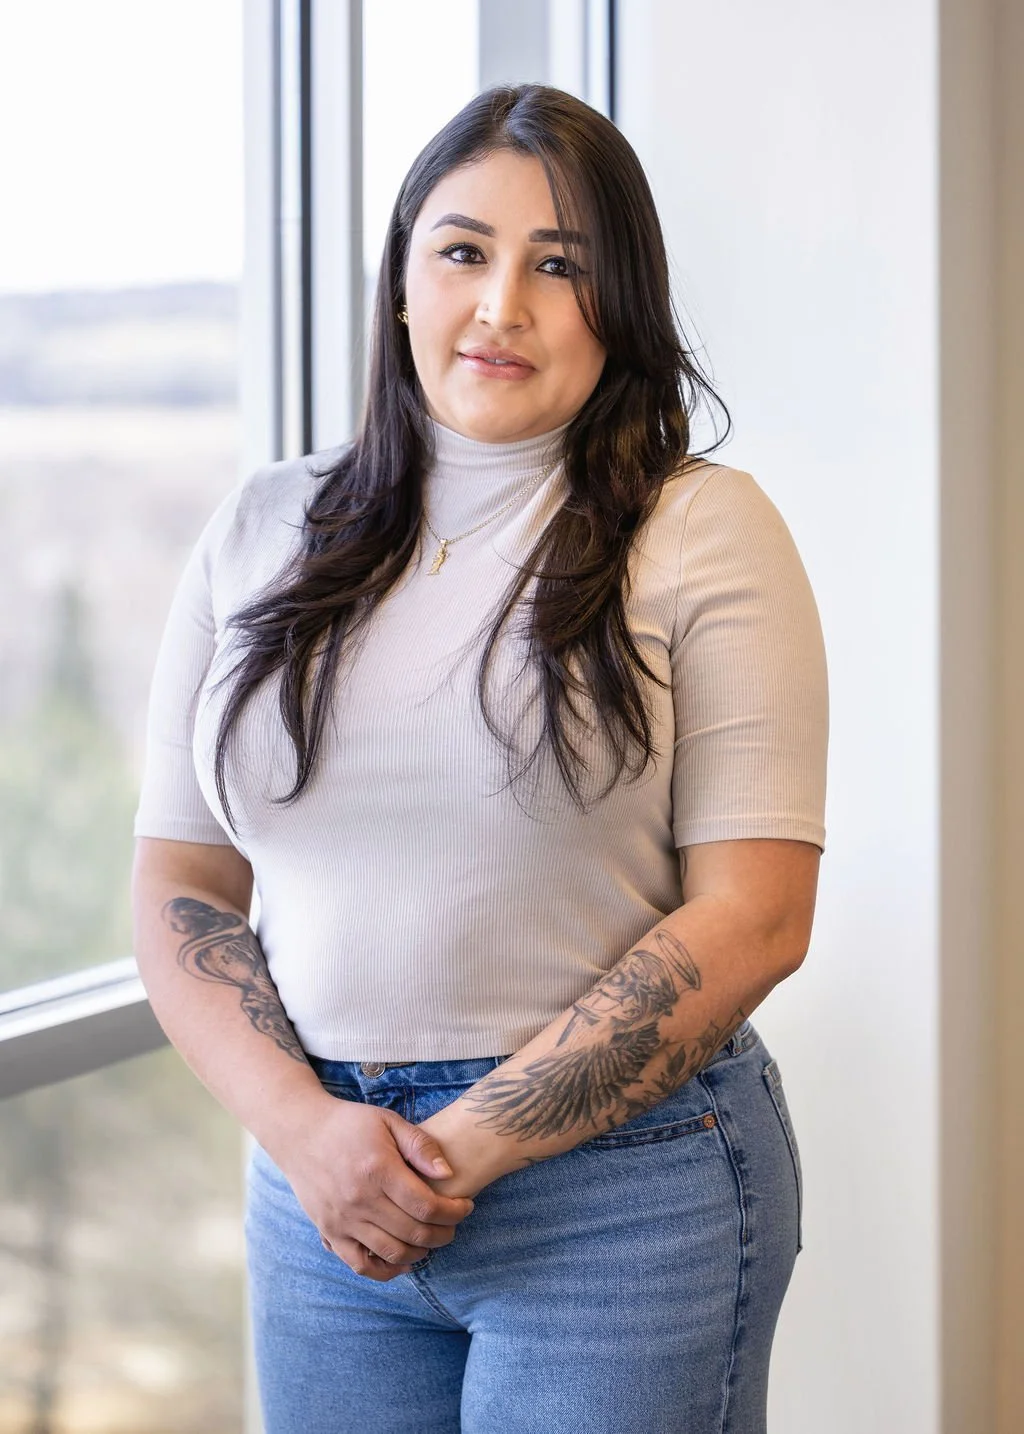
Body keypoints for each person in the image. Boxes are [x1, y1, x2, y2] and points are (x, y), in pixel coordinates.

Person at [132, 82, 828, 1434]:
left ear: (617, 308)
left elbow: (757, 912)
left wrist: (454, 1153)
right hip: (321, 1193)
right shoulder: (261, 526)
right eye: (464, 251)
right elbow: (183, 882)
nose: (501, 305)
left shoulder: (705, 531)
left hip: (621, 1198)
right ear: (402, 281)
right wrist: (311, 1135)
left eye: (557, 266)